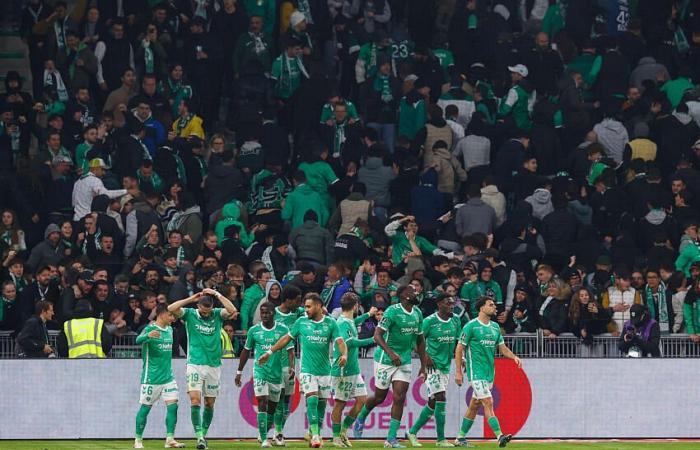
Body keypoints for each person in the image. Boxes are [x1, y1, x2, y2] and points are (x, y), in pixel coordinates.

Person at [258, 293, 348, 448]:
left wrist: (345, 354)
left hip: (325, 371)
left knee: (321, 405)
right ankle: (314, 436)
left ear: (318, 306)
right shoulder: (301, 322)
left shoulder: (330, 323)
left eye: (308, 306)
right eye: (305, 306)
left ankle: (316, 433)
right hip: (307, 370)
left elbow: (340, 342)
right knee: (311, 400)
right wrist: (269, 352)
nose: (305, 309)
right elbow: (286, 339)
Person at [353, 285, 433, 448]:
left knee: (399, 397)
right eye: (413, 291)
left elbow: (420, 340)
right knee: (379, 397)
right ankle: (361, 417)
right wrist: (391, 354)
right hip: (385, 360)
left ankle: (391, 439)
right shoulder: (391, 311)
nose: (417, 292)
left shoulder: (417, 313)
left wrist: (423, 364)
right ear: (404, 295)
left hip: (404, 361)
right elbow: (377, 335)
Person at [167, 288, 237, 450]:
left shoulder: (217, 314)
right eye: (203, 311)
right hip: (195, 364)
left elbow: (232, 310)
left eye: (208, 311)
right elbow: (171, 308)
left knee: (210, 403)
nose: (206, 314)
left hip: (213, 366)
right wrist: (191, 298)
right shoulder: (190, 314)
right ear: (198, 306)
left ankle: (203, 435)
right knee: (195, 400)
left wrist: (217, 294)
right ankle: (199, 436)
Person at [454, 297, 521, 448]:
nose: (494, 308)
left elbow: (502, 348)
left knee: (474, 405)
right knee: (488, 402)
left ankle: (460, 438)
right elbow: (459, 348)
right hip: (475, 373)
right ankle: (500, 436)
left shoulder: (495, 327)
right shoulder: (471, 326)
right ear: (481, 308)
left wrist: (514, 356)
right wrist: (458, 372)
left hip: (489, 373)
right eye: (491, 305)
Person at [235, 301, 293, 448]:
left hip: (276, 373)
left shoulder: (283, 329)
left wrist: (292, 367)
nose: (265, 315)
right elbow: (246, 351)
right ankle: (264, 439)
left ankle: (263, 434)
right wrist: (239, 372)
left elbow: (290, 350)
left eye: (267, 313)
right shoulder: (254, 331)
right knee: (262, 401)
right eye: (262, 313)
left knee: (272, 408)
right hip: (260, 371)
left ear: (274, 313)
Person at [406, 294, 461, 447]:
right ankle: (441, 439)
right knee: (441, 397)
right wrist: (425, 356)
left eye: (452, 303)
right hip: (432, 366)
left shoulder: (456, 320)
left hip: (445, 366)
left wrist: (460, 358)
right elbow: (414, 341)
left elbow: (458, 342)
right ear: (439, 305)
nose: (451, 305)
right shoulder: (429, 321)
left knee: (433, 401)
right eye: (447, 303)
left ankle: (412, 431)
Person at [133, 303, 185, 449]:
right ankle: (138, 440)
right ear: (161, 314)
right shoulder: (150, 328)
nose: (173, 318)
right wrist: (147, 336)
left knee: (173, 407)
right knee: (145, 408)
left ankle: (170, 439)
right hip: (151, 378)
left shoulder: (169, 330)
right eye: (170, 315)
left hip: (168, 378)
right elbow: (137, 340)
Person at [330, 293, 377, 448]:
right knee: (340, 403)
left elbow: (354, 322)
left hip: (353, 369)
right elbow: (350, 343)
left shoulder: (347, 320)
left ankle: (343, 430)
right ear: (355, 305)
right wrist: (373, 339)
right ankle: (336, 437)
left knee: (362, 400)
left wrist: (368, 315)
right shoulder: (342, 323)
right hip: (342, 369)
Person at [270, 285, 304, 445]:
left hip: (290, 362)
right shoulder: (272, 313)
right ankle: (270, 432)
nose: (300, 303)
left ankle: (278, 432)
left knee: (286, 400)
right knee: (275, 399)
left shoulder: (298, 313)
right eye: (297, 300)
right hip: (274, 363)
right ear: (288, 300)